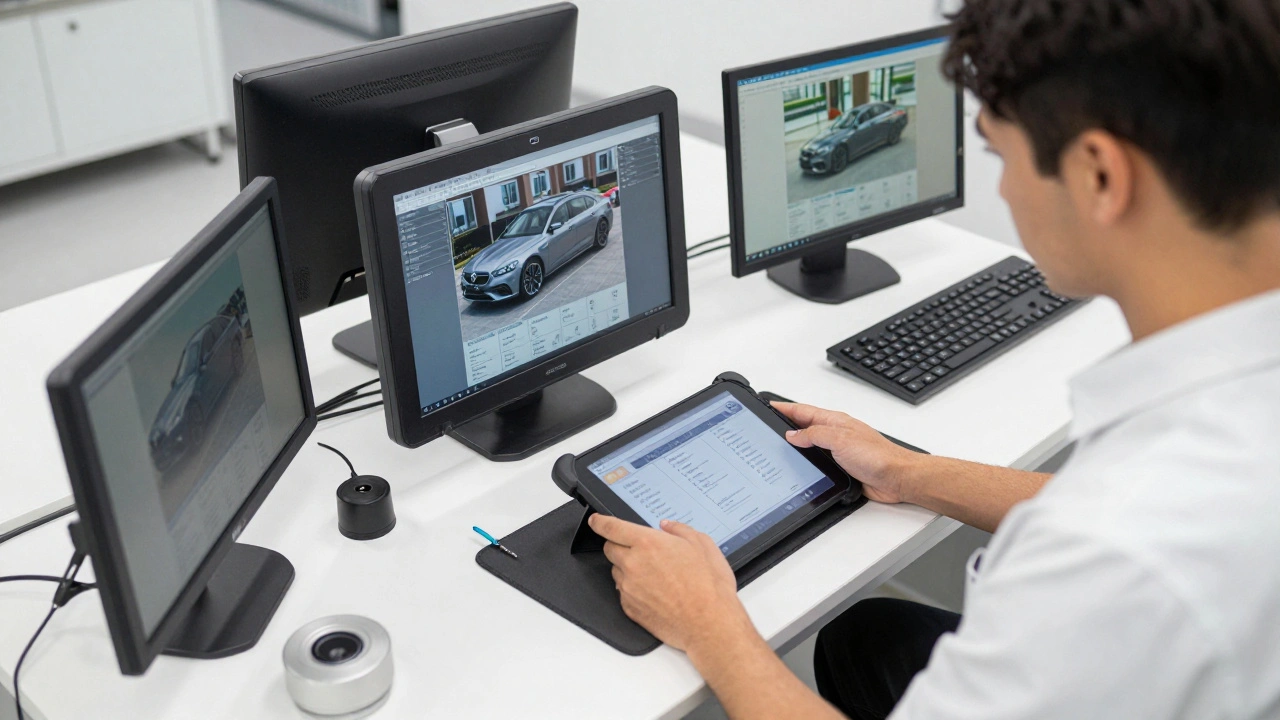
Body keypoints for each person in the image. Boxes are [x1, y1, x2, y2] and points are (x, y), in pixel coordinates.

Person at [590, 0, 1280, 717]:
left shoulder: (1115, 558)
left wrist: (709, 624)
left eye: (1000, 156)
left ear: (1099, 175)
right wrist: (906, 471)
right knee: (867, 637)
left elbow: (1126, 533)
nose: (1006, 191)